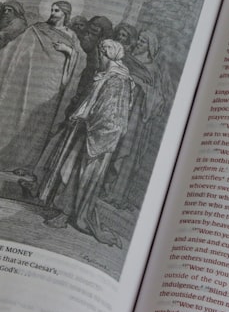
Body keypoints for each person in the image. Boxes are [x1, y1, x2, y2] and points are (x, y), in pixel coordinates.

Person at [26, 39, 133, 246]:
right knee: (70, 171)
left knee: (81, 176)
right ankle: (62, 211)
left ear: (106, 54)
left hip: (98, 136)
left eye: (99, 55)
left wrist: (87, 121)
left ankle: (67, 215)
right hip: (87, 131)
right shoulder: (109, 75)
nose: (98, 59)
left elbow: (111, 113)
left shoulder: (117, 79)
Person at [0, 0, 85, 173]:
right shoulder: (37, 29)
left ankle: (26, 164)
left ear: (66, 14)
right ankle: (2, 156)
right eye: (52, 10)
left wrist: (69, 51)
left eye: (57, 11)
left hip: (50, 86)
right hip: (30, 81)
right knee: (17, 119)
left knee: (38, 124)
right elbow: (13, 49)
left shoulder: (72, 36)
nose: (53, 13)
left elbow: (80, 59)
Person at [104, 29, 170, 210]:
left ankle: (112, 191)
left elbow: (159, 97)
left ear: (150, 48)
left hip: (135, 116)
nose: (139, 44)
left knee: (123, 152)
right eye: (139, 40)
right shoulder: (126, 58)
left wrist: (142, 86)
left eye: (143, 42)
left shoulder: (153, 69)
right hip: (116, 108)